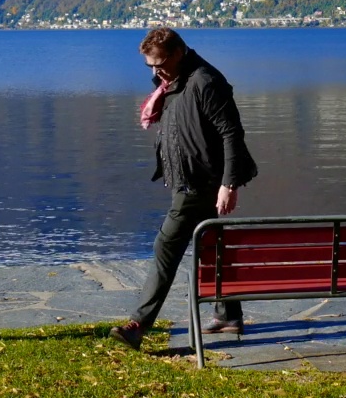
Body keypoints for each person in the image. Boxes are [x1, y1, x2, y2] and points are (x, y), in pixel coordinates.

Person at [110, 27, 258, 350]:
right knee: (213, 248)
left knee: (166, 246)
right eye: (149, 66)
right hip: (191, 181)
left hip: (201, 185)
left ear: (178, 52)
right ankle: (228, 315)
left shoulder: (205, 81)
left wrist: (228, 184)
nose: (154, 71)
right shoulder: (174, 81)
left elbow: (232, 133)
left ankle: (138, 325)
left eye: (159, 63)